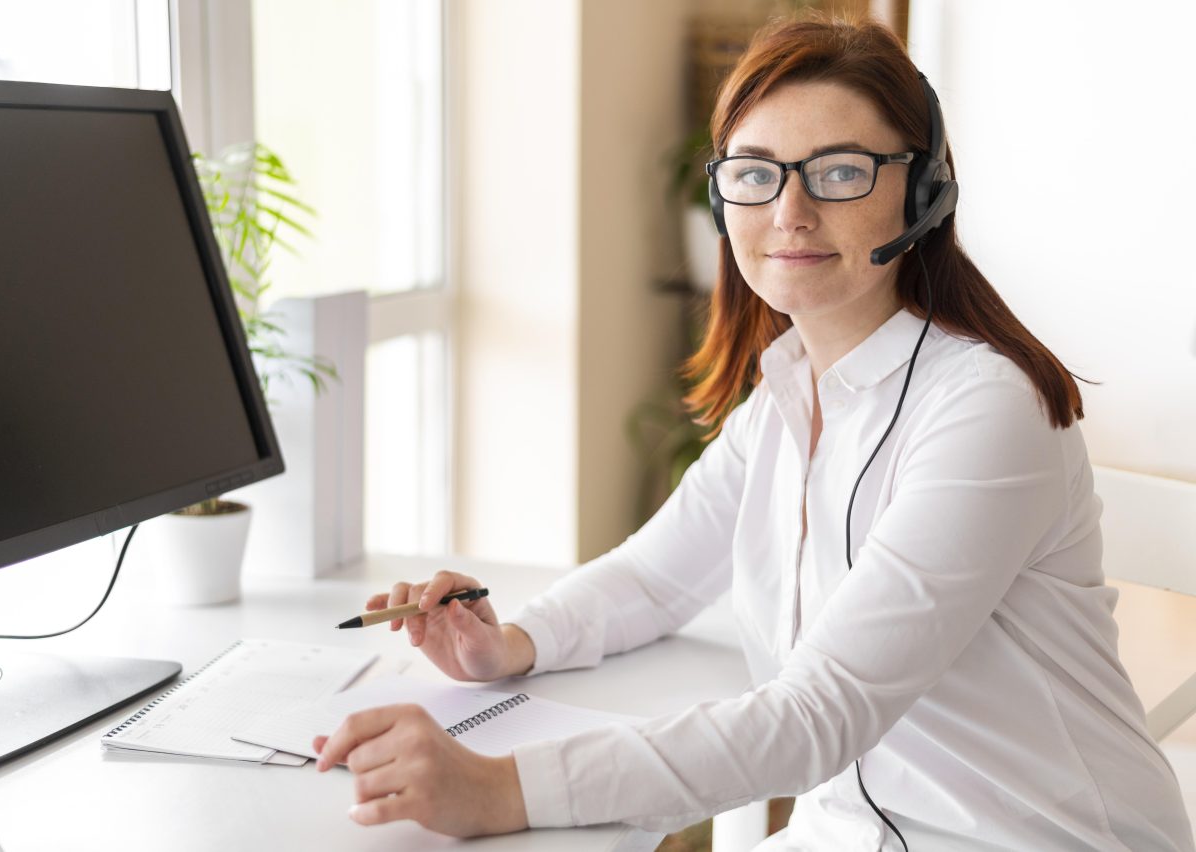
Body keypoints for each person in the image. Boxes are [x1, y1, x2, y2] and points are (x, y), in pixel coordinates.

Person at [312, 17, 1195, 851]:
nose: (790, 211)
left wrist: (503, 789)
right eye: (756, 171)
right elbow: (655, 578)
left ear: (924, 193)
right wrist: (511, 643)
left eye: (841, 171)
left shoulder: (986, 409)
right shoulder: (783, 399)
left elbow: (822, 713)